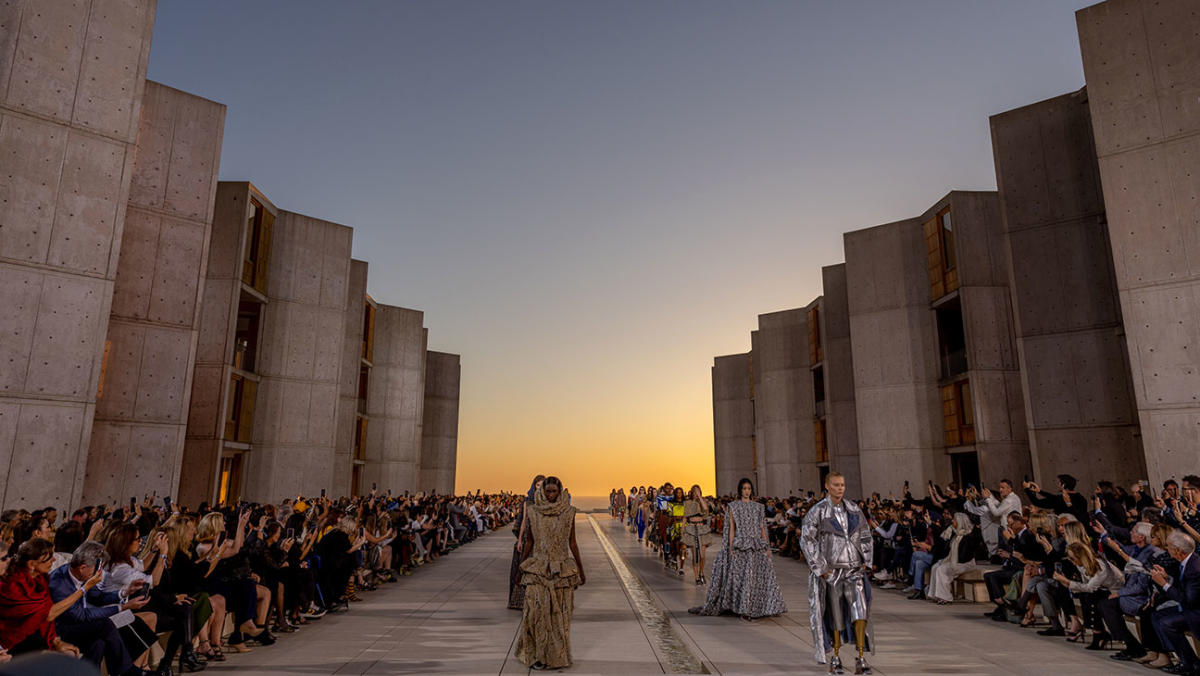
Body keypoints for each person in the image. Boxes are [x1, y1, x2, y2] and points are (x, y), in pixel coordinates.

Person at [801, 472, 874, 675]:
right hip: (833, 571)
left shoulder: (853, 509)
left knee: (860, 612)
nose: (840, 488)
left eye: (842, 484)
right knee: (835, 615)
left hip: (854, 568)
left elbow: (866, 535)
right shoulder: (818, 511)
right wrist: (822, 569)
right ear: (827, 486)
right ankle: (835, 657)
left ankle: (860, 657)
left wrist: (866, 561)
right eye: (836, 484)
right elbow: (807, 539)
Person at [514, 477, 585, 671]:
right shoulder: (533, 512)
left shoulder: (569, 513)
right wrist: (521, 568)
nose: (550, 495)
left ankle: (556, 656)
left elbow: (573, 543)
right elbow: (529, 541)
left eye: (554, 491)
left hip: (561, 570)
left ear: (560, 491)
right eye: (548, 491)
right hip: (538, 568)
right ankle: (536, 655)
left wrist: (581, 569)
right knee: (536, 613)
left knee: (559, 615)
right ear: (542, 491)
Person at [693, 478, 786, 620]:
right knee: (743, 577)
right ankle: (744, 607)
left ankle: (760, 606)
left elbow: (762, 528)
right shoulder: (733, 506)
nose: (747, 491)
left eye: (749, 488)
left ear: (752, 490)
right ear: (740, 490)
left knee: (758, 577)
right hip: (740, 544)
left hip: (756, 544)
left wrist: (766, 546)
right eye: (744, 488)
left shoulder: (758, 507)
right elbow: (731, 529)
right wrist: (730, 547)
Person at [927, 512, 983, 604]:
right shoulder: (954, 533)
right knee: (935, 567)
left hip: (966, 563)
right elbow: (942, 535)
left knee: (942, 569)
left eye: (954, 520)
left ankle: (945, 597)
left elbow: (969, 550)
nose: (952, 521)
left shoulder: (970, 535)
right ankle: (935, 595)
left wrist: (977, 530)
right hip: (954, 561)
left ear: (960, 522)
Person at [508, 475, 543, 610]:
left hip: (540, 540)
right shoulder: (527, 503)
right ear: (534, 486)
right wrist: (519, 540)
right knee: (524, 568)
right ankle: (520, 601)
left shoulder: (547, 503)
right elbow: (523, 522)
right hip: (527, 537)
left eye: (542, 485)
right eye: (538, 485)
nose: (540, 488)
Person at [682, 485, 715, 585]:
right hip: (692, 529)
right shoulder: (687, 503)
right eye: (694, 491)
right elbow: (685, 518)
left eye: (698, 491)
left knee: (702, 555)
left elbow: (705, 511)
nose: (696, 493)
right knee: (695, 555)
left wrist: (700, 497)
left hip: (701, 530)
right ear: (691, 492)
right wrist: (682, 530)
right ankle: (696, 577)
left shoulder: (703, 502)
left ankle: (701, 573)